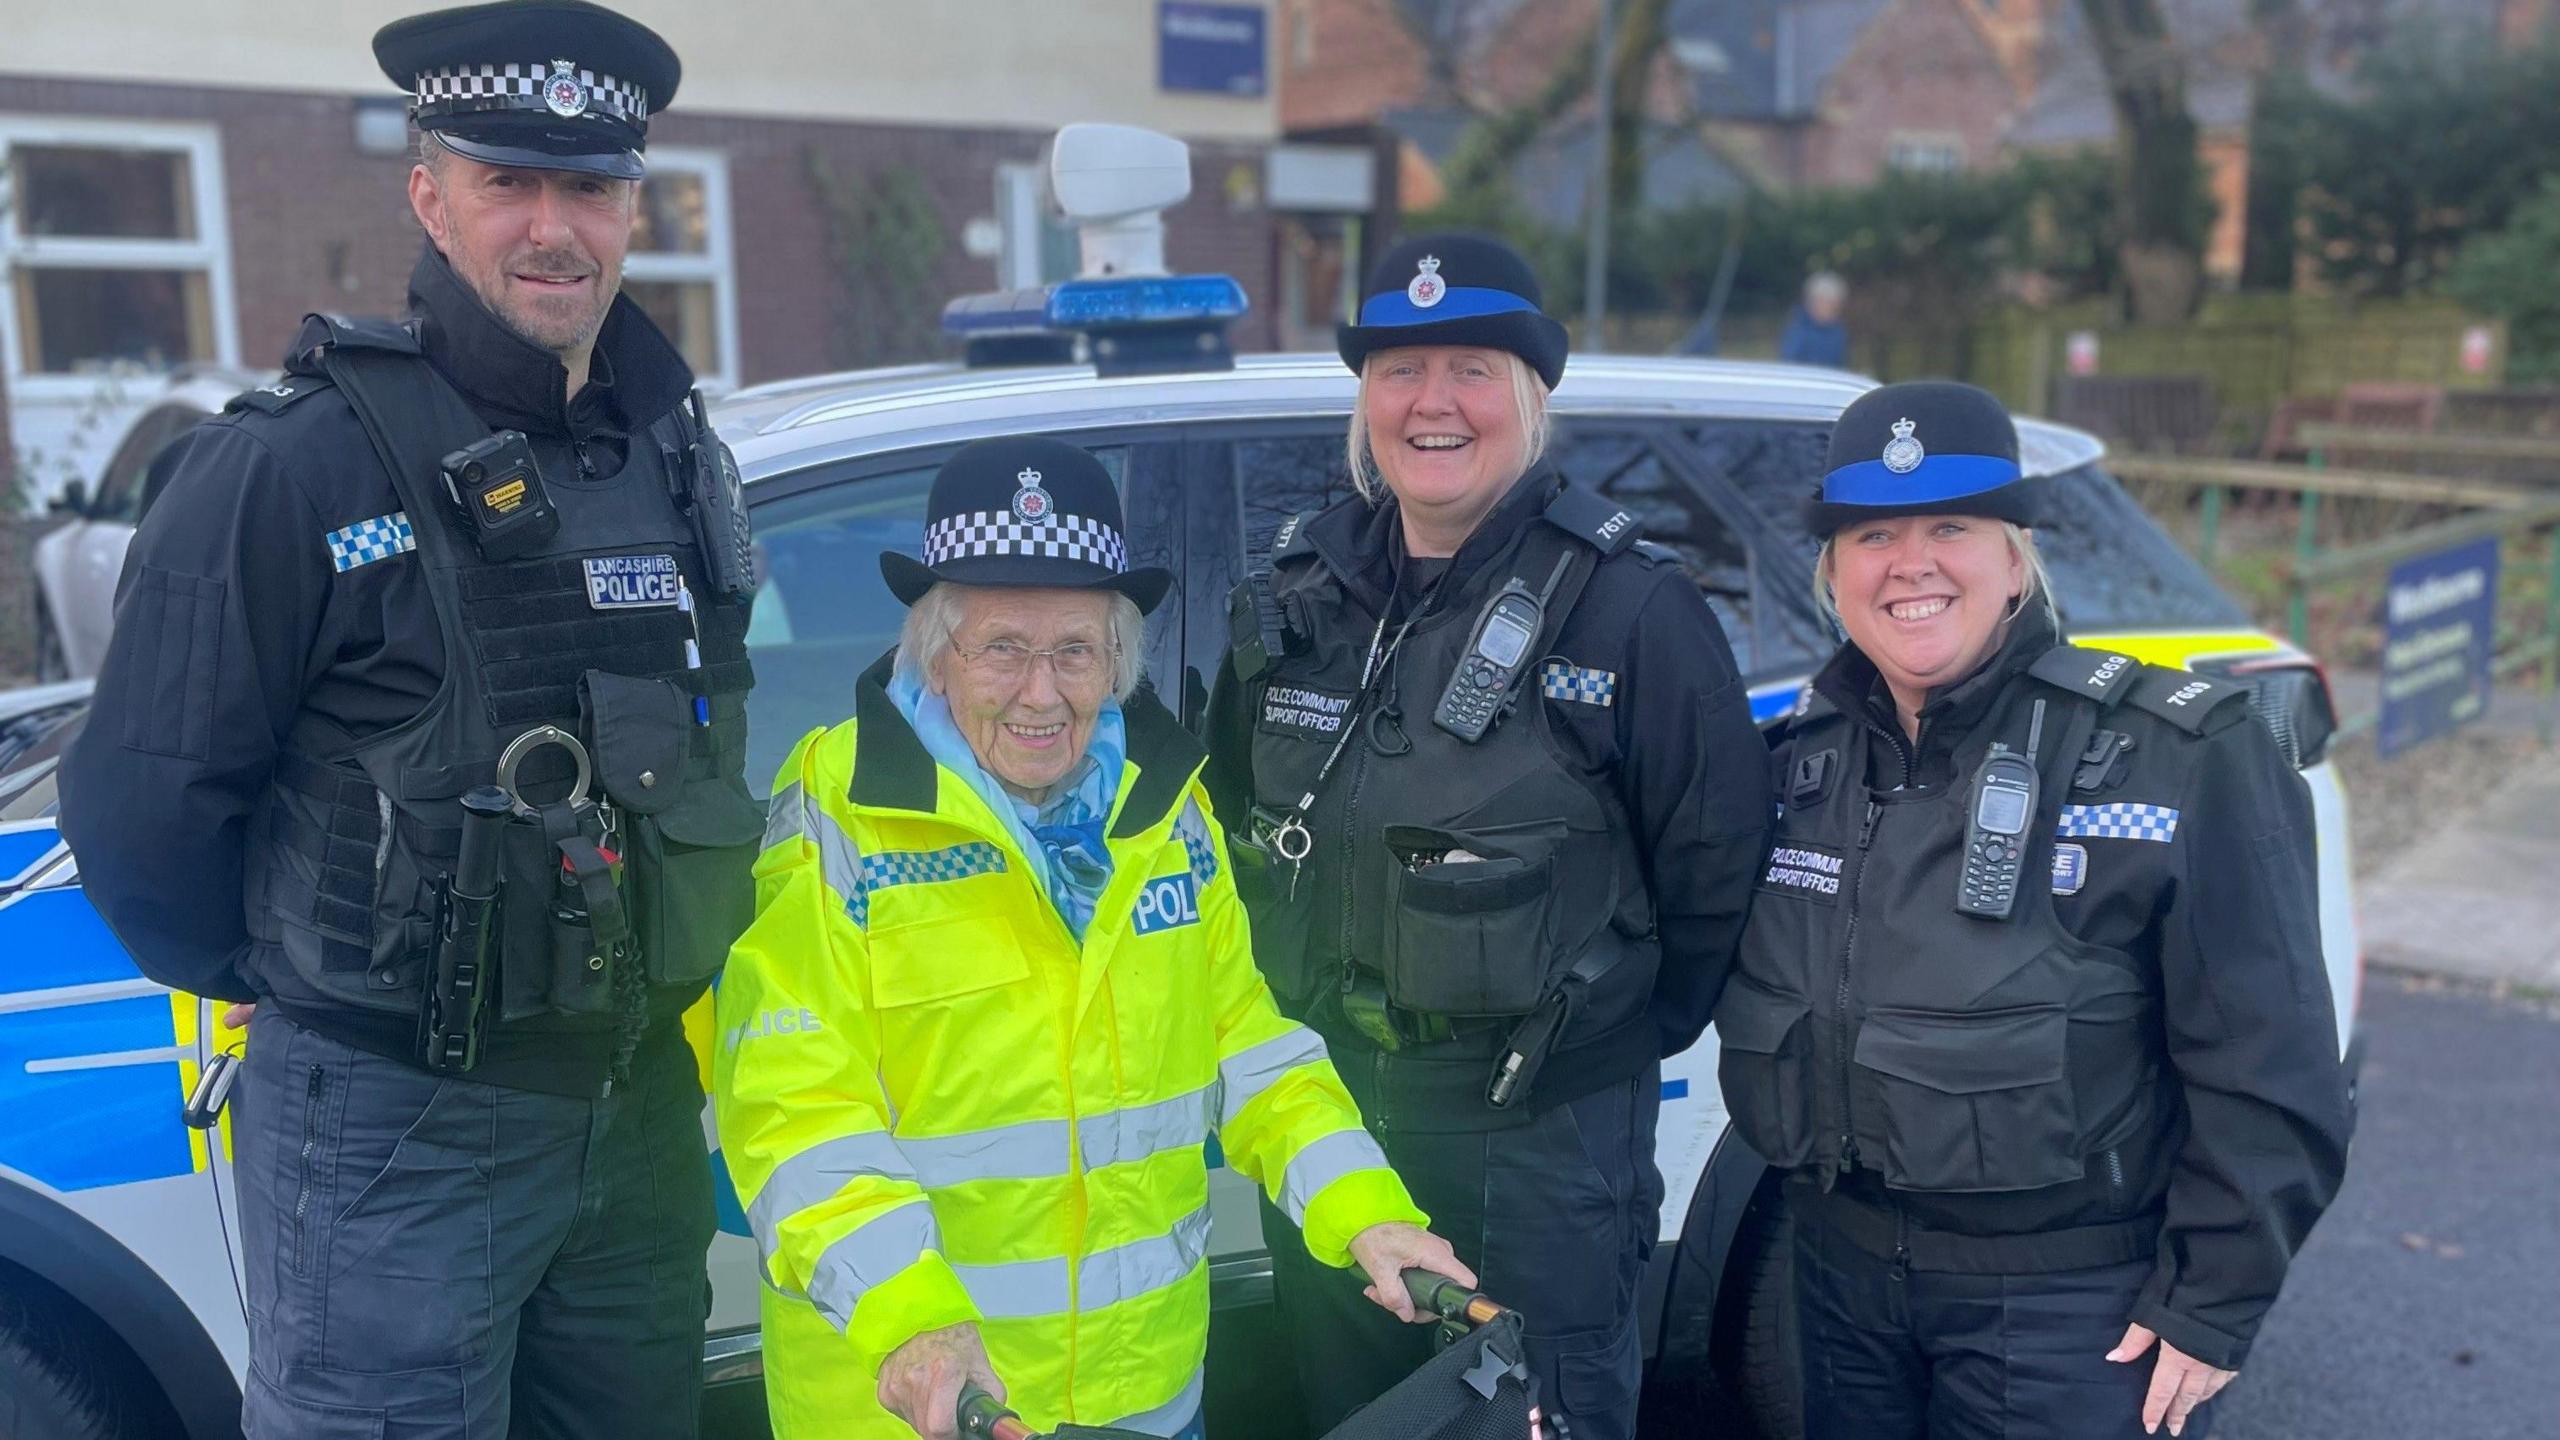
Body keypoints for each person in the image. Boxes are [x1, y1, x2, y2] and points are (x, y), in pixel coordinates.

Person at [57, 4, 762, 1434]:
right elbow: (141, 803)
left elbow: (706, 735)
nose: (554, 227)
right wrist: (299, 976)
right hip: (392, 1126)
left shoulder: (676, 455)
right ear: (429, 193)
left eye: (590, 188)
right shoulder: (293, 466)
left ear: (635, 206)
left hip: (627, 1108)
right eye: (510, 182)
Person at [715, 435, 1471, 1440]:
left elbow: (1248, 1048)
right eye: (1003, 649)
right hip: (927, 1402)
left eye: (1074, 650)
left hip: (1143, 1394)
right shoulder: (840, 815)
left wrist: (1363, 1212)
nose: (1043, 693)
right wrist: (911, 1320)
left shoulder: (1164, 812)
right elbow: (793, 1107)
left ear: (1118, 662)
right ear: (935, 654)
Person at [1203, 233, 1773, 1440]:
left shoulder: (1632, 609)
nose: (1432, 403)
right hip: (1332, 1126)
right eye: (1401, 370)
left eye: (1471, 368)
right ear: (1365, 400)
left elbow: (1714, 875)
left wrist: (1584, 1043)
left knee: (1535, 1419)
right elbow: (1230, 813)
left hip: (1539, 1139)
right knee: (1356, 1416)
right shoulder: (1302, 587)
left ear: (1528, 397)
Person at [1718, 381, 2353, 1440]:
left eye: (1951, 527)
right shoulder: (1796, 766)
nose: (1910, 562)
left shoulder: (2179, 755)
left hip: (2069, 1308)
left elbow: (2270, 1061)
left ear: (2015, 555)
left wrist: (2211, 1304)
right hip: (1834, 1279)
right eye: (1872, 534)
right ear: (1832, 574)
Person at [1778, 271, 1850, 368]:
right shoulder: (1798, 330)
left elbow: (1841, 365)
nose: (1833, 309)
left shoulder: (1838, 332)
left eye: (1836, 304)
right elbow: (1788, 364)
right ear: (1814, 302)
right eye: (1828, 304)